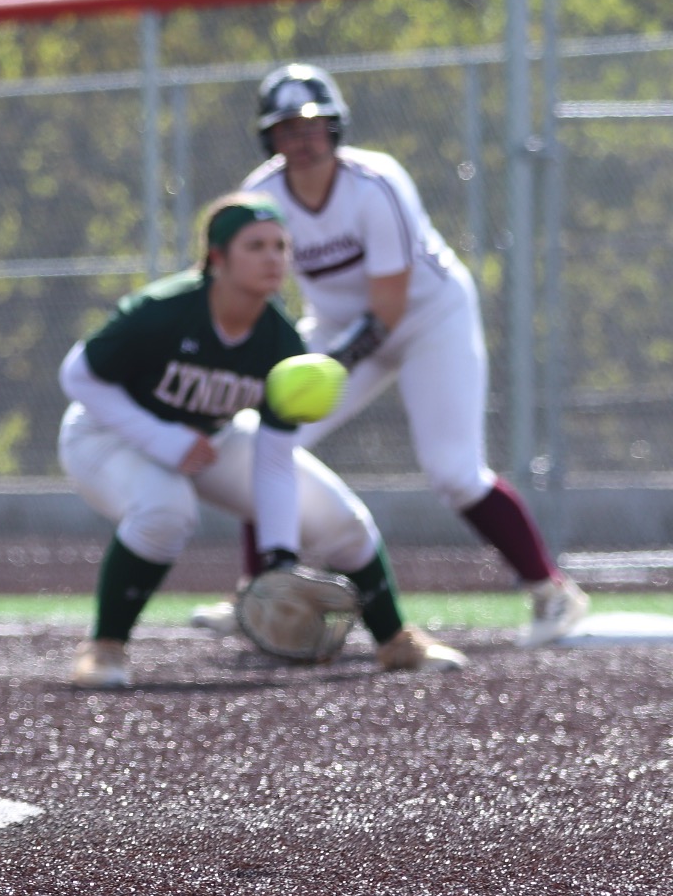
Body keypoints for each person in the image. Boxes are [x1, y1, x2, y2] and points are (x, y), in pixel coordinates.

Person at [209, 64, 588, 648]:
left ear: (335, 127)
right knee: (267, 441)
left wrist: (327, 366)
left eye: (311, 125)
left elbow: (388, 307)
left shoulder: (375, 183)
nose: (301, 139)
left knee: (455, 472)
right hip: (338, 328)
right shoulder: (262, 196)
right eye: (286, 128)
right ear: (269, 137)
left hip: (427, 319)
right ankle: (261, 593)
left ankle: (550, 590)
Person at [61, 194, 467, 688]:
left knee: (339, 517)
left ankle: (394, 641)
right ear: (217, 258)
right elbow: (78, 375)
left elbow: (274, 458)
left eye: (280, 246)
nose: (273, 258)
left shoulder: (281, 342)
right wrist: (163, 438)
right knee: (166, 510)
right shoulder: (164, 310)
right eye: (255, 246)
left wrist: (279, 557)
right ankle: (105, 647)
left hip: (210, 439)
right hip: (106, 435)